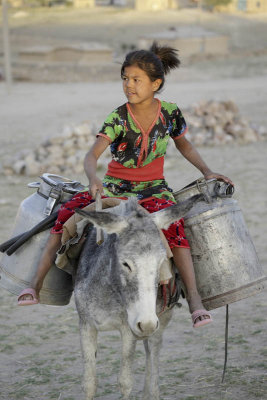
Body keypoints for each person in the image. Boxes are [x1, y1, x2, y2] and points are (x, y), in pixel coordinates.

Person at [18, 42, 233, 328]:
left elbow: (184, 145)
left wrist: (207, 171)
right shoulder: (118, 117)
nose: (128, 85)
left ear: (155, 83)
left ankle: (194, 300)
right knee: (64, 219)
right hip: (114, 189)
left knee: (177, 230)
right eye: (124, 78)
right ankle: (34, 284)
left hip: (154, 190)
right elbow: (92, 155)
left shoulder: (170, 113)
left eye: (136, 79)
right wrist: (94, 179)